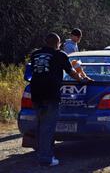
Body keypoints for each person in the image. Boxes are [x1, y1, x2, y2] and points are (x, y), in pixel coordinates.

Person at [30, 32, 91, 166]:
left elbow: (30, 72)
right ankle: (46, 159)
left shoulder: (35, 54)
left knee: (40, 126)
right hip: (50, 94)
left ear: (46, 42)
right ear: (58, 44)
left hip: (35, 94)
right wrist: (82, 80)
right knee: (48, 127)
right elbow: (71, 72)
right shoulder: (60, 55)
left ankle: (41, 155)